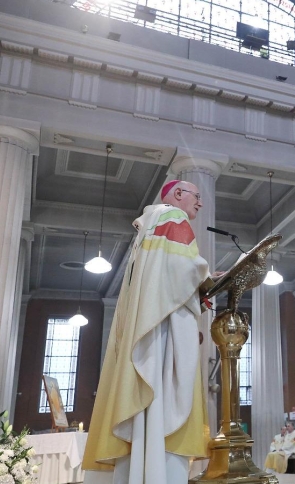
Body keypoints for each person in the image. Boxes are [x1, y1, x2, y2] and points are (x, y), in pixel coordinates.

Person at [83, 180, 217, 484]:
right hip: (163, 330)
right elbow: (184, 268)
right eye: (197, 196)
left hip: (150, 324)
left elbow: (167, 275)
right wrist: (208, 280)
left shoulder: (148, 226)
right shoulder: (173, 216)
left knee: (147, 405)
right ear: (178, 194)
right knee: (165, 397)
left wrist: (202, 281)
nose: (200, 203)